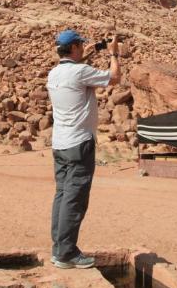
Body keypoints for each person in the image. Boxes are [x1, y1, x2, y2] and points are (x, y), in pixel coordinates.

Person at [46, 29, 121, 269]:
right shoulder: (80, 72)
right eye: (81, 45)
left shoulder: (54, 73)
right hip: (79, 143)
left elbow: (76, 73)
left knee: (62, 196)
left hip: (60, 144)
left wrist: (87, 54)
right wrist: (114, 54)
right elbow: (115, 77)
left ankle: (59, 248)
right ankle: (66, 254)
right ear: (75, 47)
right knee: (75, 199)